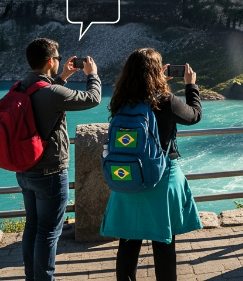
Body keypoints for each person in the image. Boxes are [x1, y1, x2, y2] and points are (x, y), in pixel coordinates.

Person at [100, 48, 203, 280]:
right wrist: (190, 85)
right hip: (161, 177)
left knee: (127, 244)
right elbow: (195, 115)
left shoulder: (120, 101)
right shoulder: (165, 101)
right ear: (157, 73)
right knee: (163, 243)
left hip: (127, 177)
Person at [16, 38, 101, 281]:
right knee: (48, 233)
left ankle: (32, 277)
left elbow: (45, 97)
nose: (61, 61)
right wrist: (92, 75)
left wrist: (62, 76)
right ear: (51, 61)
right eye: (59, 58)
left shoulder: (22, 86)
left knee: (32, 227)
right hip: (50, 173)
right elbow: (92, 98)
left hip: (25, 169)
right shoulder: (52, 93)